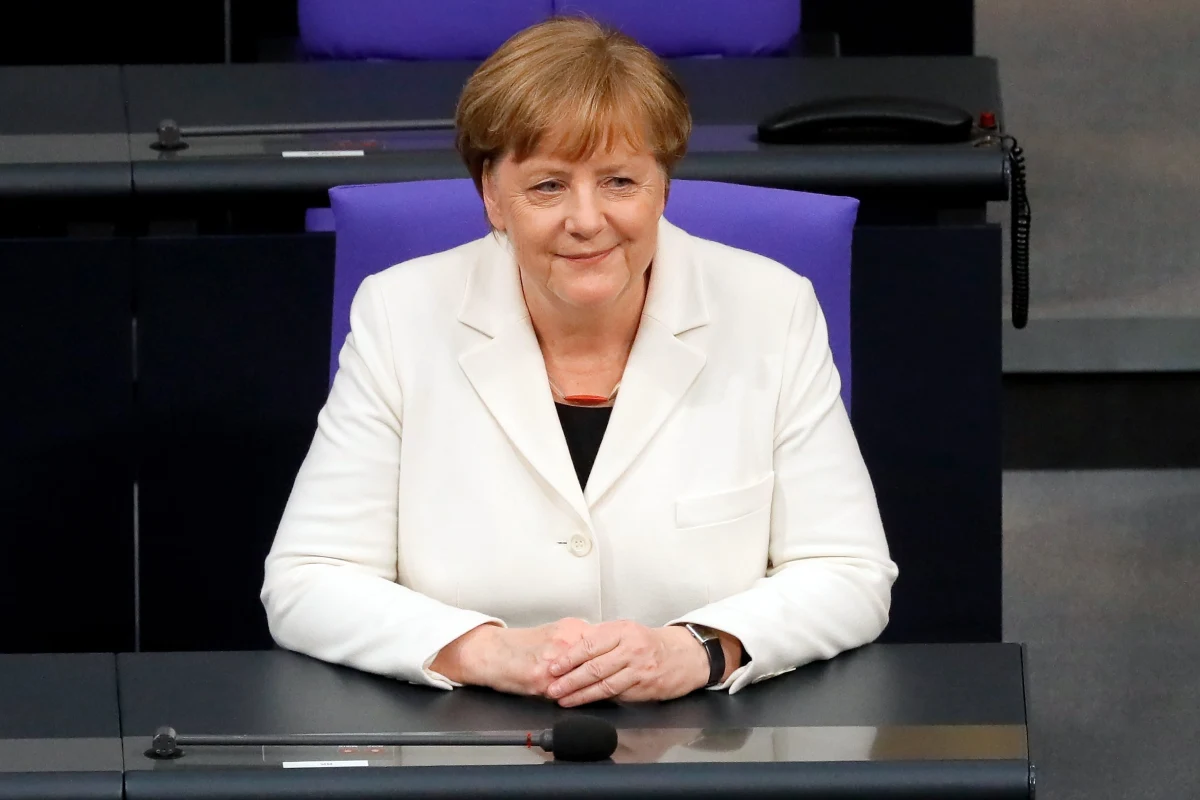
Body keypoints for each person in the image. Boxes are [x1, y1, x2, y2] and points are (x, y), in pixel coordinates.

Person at [261, 16, 897, 708]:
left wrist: (697, 649)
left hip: (705, 743)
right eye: (548, 186)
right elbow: (307, 580)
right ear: (492, 197)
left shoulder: (772, 309)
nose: (588, 220)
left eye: (621, 181)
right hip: (468, 744)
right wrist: (488, 651)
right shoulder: (399, 314)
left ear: (664, 186)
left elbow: (849, 571)